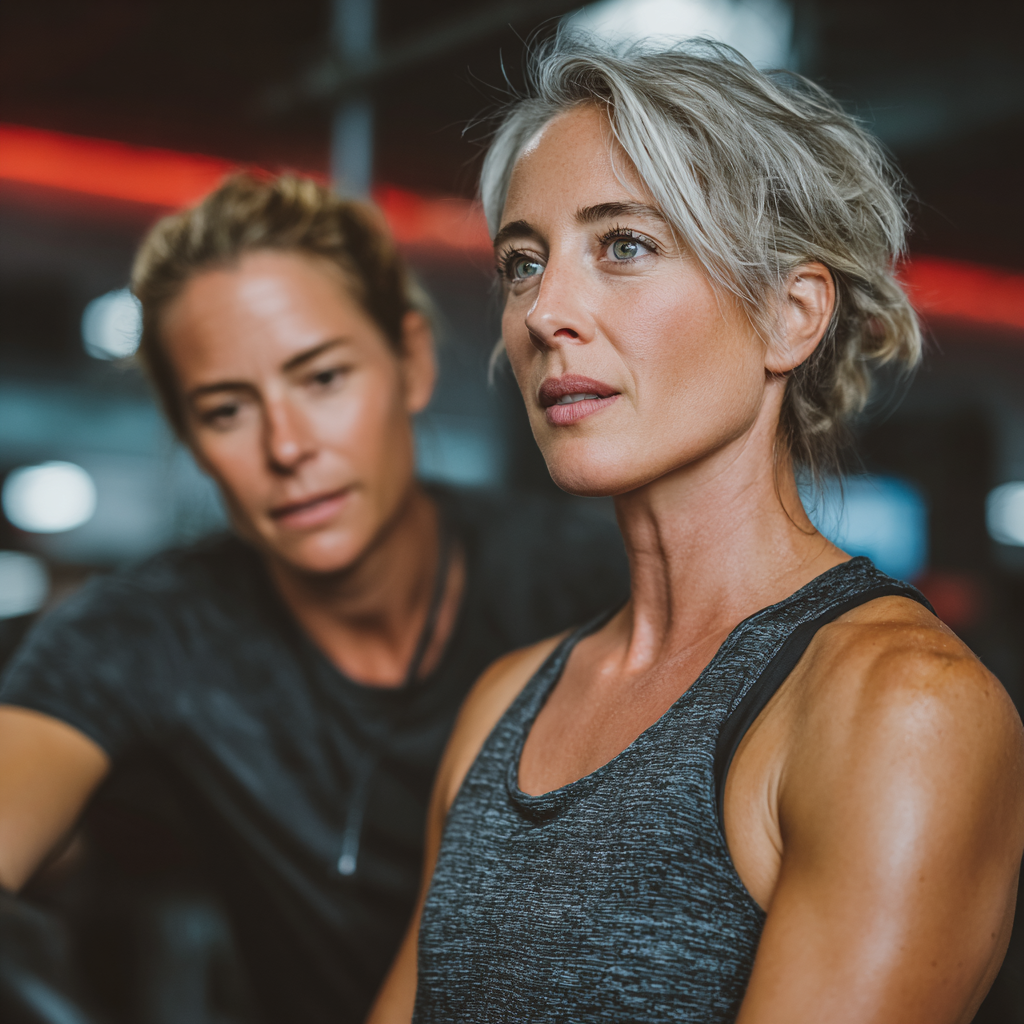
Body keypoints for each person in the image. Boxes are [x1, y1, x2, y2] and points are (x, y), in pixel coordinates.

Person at [368, 36, 1024, 1024]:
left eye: (622, 245)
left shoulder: (900, 707)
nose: (546, 310)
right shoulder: (504, 706)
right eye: (522, 262)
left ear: (789, 316)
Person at [0, 172, 629, 1024]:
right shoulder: (146, 631)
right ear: (190, 438)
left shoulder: (593, 579)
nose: (287, 446)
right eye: (226, 410)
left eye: (324, 378)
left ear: (409, 362)